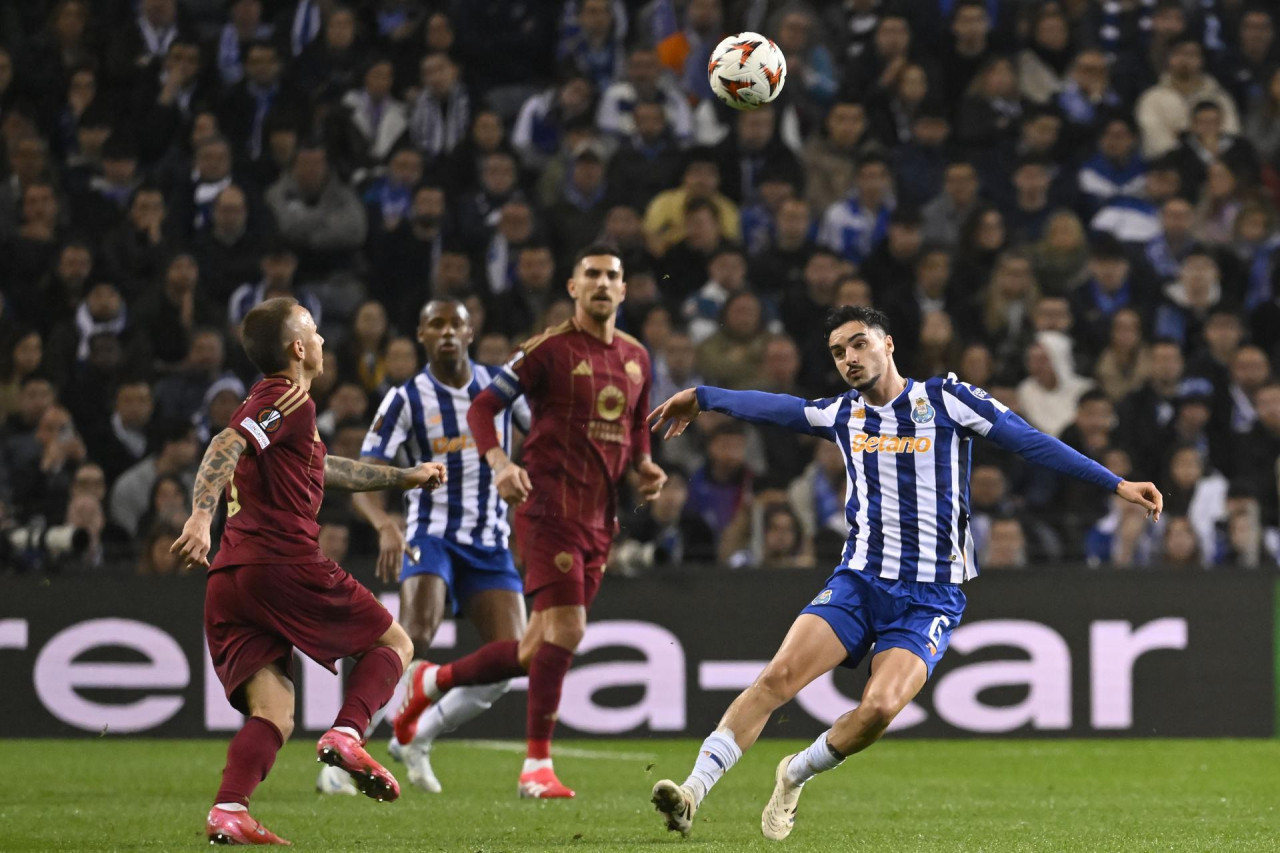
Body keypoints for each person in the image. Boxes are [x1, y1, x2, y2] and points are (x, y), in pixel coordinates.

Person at [644, 305, 1163, 840]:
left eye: (859, 343)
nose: (849, 358)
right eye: (838, 351)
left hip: (930, 597)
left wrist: (1116, 484)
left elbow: (1030, 441)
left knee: (880, 708)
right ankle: (692, 792)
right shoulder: (842, 415)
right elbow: (775, 407)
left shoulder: (947, 400)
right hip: (860, 582)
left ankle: (795, 772)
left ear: (888, 344)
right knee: (776, 678)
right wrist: (704, 398)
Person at [392, 244, 667, 799]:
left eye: (612, 276)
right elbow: (481, 409)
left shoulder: (637, 356)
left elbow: (637, 421)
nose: (602, 284)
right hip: (549, 509)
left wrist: (643, 463)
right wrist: (499, 462)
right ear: (572, 287)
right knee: (568, 632)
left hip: (599, 517)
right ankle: (536, 767)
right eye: (591, 274)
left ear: (624, 289)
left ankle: (431, 679)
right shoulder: (547, 350)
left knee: (530, 648)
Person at [170, 296, 446, 845]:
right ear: (298, 348)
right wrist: (200, 515)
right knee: (395, 641)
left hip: (232, 578)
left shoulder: (275, 407)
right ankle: (347, 734)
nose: (322, 340)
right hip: (281, 561)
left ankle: (230, 809)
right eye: (315, 332)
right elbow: (226, 444)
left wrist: (403, 478)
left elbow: (328, 466)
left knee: (274, 712)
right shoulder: (287, 396)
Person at [323, 298, 530, 796]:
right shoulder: (405, 398)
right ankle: (341, 754)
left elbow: (544, 438)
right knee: (411, 636)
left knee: (516, 658)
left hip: (489, 542)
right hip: (429, 535)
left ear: (470, 331)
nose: (447, 333)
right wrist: (383, 525)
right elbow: (362, 474)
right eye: (435, 324)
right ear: (421, 334)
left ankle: (417, 736)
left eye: (455, 324)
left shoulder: (501, 389)